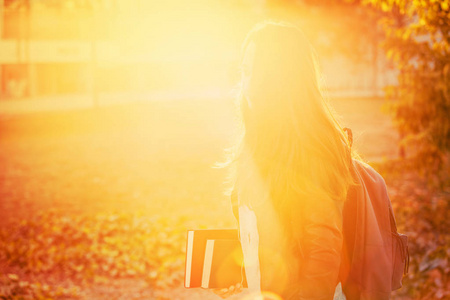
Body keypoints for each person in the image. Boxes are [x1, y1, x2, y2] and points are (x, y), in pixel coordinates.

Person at [213, 21, 356, 300]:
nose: (248, 83)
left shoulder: (312, 150)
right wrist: (239, 272)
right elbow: (269, 233)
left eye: (257, 73)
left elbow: (323, 256)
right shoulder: (256, 143)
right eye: (244, 71)